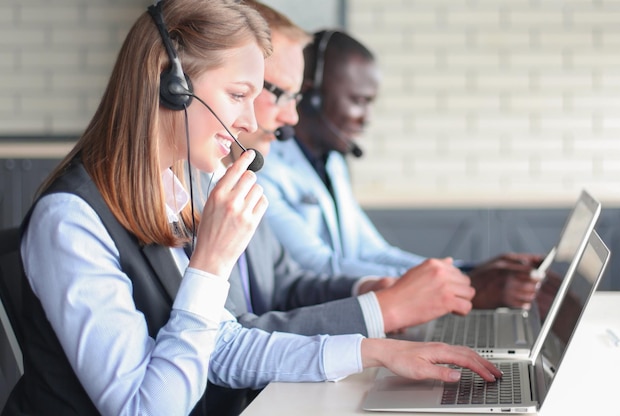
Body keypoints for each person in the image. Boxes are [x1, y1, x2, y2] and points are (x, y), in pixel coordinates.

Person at [2, 2, 501, 415]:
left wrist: (377, 351)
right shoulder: (70, 220)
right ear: (171, 86)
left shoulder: (179, 186)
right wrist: (211, 264)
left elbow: (221, 345)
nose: (248, 120)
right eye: (238, 95)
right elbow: (143, 408)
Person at [258, 29, 543, 310]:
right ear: (312, 96)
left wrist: (466, 270)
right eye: (358, 101)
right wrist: (464, 284)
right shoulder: (264, 166)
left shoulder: (331, 161)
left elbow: (372, 251)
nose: (366, 119)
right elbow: (319, 266)